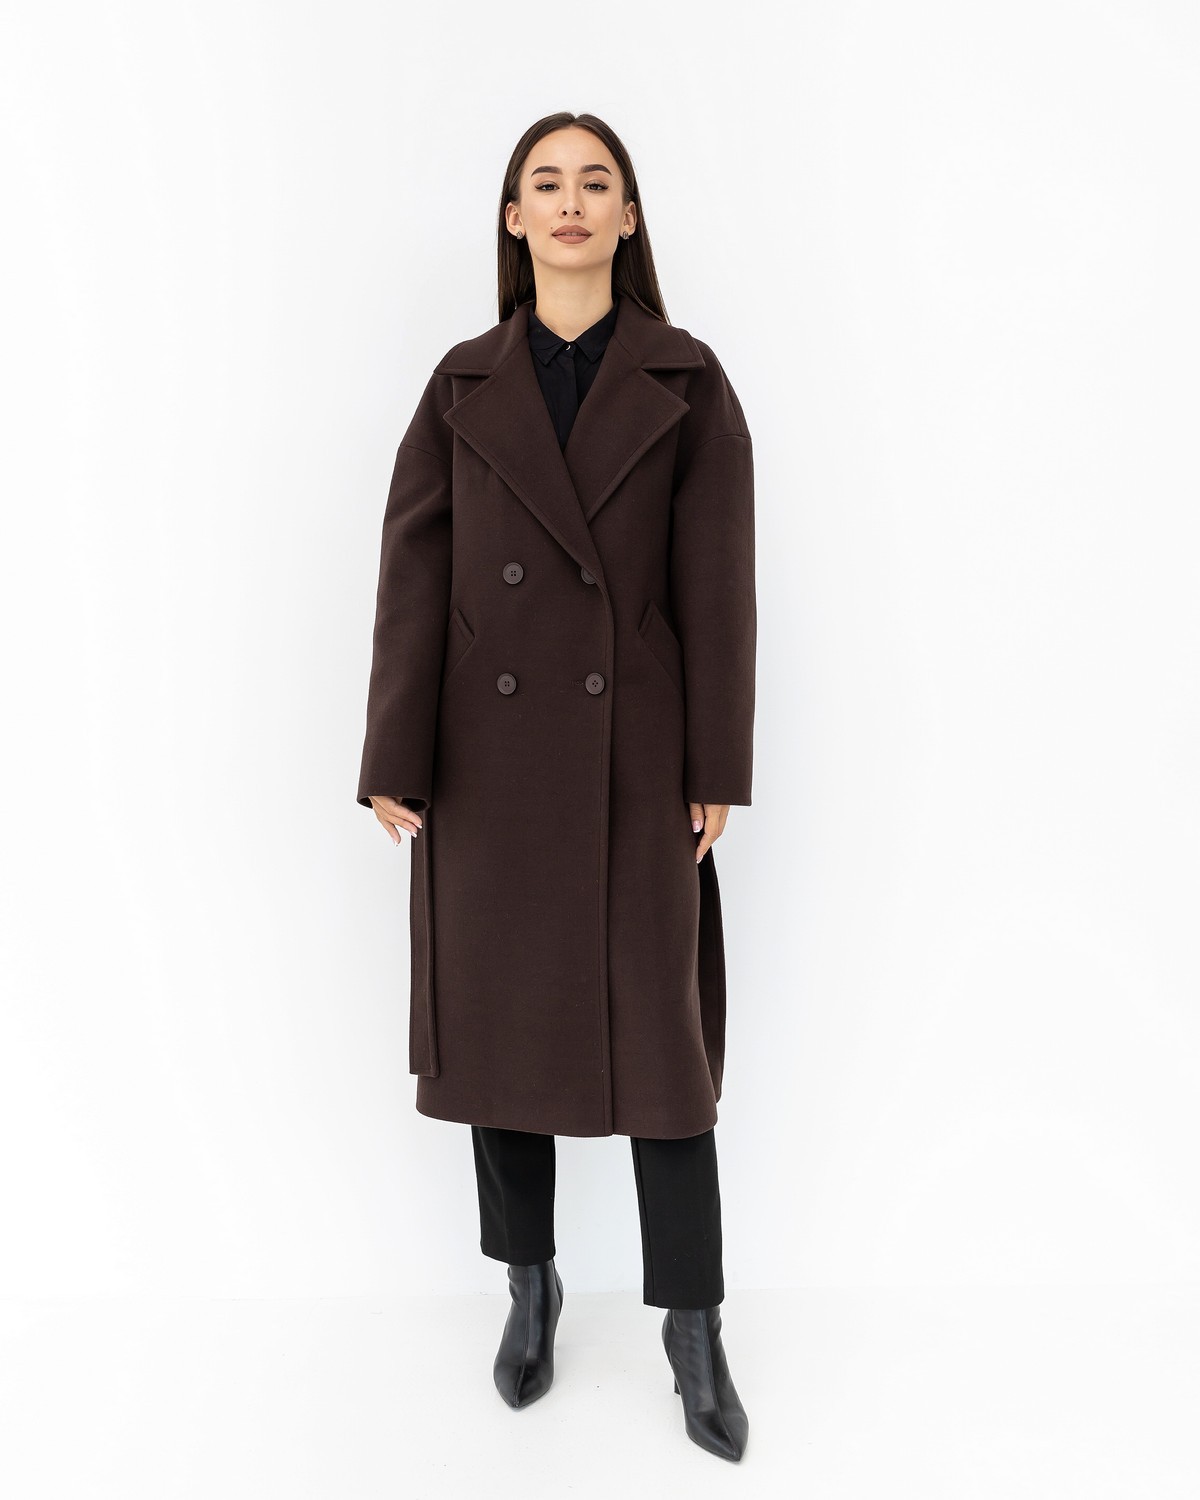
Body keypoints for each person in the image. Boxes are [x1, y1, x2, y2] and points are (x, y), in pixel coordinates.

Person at [356, 111, 756, 1462]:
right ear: (515, 218)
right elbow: (414, 572)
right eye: (547, 183)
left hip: (637, 757)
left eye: (597, 182)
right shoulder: (462, 384)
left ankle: (692, 1323)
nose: (572, 201)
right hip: (488, 756)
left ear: (629, 217)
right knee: (503, 1041)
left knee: (667, 1057)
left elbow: (719, 583)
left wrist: (715, 763)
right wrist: (396, 755)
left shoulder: (686, 378)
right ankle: (528, 1289)